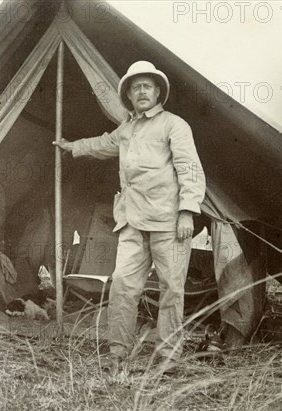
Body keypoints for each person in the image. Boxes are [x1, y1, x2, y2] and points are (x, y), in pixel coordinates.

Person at [53, 61, 206, 374]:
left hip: (169, 224)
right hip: (133, 223)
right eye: (136, 87)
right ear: (129, 95)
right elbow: (104, 143)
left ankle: (169, 358)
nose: (142, 91)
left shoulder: (174, 125)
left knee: (172, 291)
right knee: (122, 286)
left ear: (158, 91)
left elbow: (190, 168)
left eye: (147, 86)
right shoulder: (127, 128)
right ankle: (118, 353)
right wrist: (72, 147)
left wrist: (188, 211)